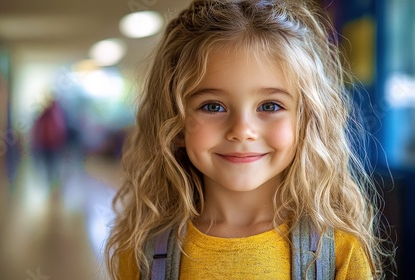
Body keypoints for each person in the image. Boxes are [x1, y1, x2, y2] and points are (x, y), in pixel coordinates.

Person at [105, 0, 391, 279]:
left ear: (306, 121)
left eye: (269, 106)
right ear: (175, 123)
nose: (242, 130)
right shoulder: (142, 252)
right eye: (213, 106)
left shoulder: (340, 253)